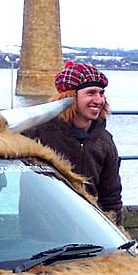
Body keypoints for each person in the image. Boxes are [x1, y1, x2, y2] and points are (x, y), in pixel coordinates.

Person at [23, 61, 123, 225]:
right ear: (69, 97)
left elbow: (111, 194)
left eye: (101, 93)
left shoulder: (104, 140)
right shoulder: (37, 133)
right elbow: (4, 150)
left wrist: (117, 229)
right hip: (42, 225)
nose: (99, 100)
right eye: (91, 93)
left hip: (90, 226)